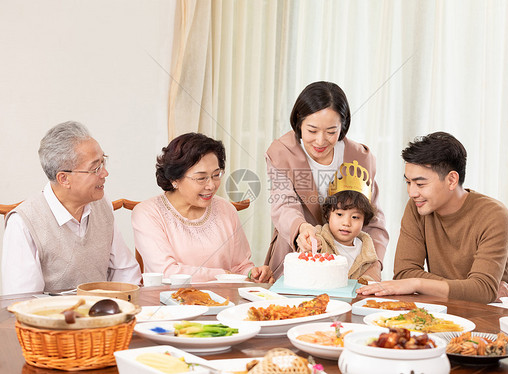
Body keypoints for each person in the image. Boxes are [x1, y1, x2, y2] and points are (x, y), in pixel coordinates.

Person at [357, 132, 508, 303]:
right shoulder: (417, 207)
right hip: (442, 310)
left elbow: (482, 291)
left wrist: (417, 283)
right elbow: (404, 273)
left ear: (451, 180)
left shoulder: (494, 215)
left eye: (420, 184)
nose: (412, 192)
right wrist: (469, 288)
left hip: (491, 316)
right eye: (408, 182)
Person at [265, 81, 389, 278]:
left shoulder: (360, 157)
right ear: (299, 121)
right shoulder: (282, 152)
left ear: (343, 125)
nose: (321, 141)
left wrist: (373, 267)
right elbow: (283, 204)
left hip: (352, 265)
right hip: (299, 254)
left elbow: (374, 219)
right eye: (312, 131)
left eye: (331, 132)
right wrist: (301, 228)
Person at [1, 121, 141, 295]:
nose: (105, 173)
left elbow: (125, 272)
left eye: (103, 162)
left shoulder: (101, 205)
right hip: (54, 319)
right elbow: (22, 300)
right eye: (95, 168)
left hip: (105, 315)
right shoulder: (24, 222)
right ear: (64, 179)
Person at [131, 132, 274, 283]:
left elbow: (240, 267)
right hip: (170, 302)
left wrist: (253, 274)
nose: (211, 185)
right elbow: (166, 272)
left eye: (216, 174)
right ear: (174, 179)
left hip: (224, 302)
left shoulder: (226, 209)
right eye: (201, 178)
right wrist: (224, 275)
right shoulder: (148, 213)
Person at [316, 186, 381, 282]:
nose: (346, 223)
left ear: (364, 221)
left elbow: (372, 280)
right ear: (328, 215)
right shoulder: (318, 240)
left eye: (355, 217)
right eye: (339, 214)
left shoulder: (367, 250)